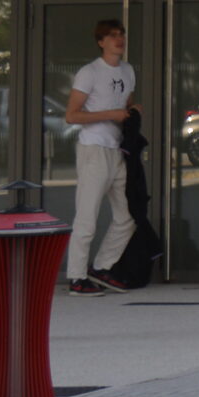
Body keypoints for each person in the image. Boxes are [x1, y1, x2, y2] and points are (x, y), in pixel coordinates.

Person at [63, 19, 139, 295]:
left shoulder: (129, 71)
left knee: (127, 215)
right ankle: (76, 276)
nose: (119, 40)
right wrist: (111, 115)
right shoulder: (89, 72)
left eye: (121, 35)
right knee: (87, 215)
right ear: (101, 41)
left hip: (116, 149)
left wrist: (132, 110)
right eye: (112, 36)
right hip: (93, 148)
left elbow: (124, 103)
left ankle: (101, 267)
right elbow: (72, 115)